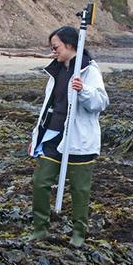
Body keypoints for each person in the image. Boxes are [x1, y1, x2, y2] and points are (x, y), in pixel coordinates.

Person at [29, 26, 109, 247]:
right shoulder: (55, 71)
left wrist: (83, 90)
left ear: (70, 45)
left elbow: (101, 103)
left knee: (80, 190)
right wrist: (37, 135)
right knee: (40, 182)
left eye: (56, 47)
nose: (52, 51)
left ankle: (78, 234)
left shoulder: (89, 70)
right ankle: (40, 229)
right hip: (53, 136)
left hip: (79, 139)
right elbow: (48, 106)